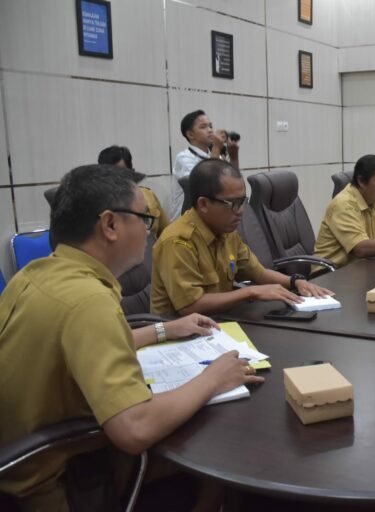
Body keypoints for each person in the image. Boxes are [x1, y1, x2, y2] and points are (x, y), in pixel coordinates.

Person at [0, 165, 262, 510]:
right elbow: (135, 430)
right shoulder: (88, 301)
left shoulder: (37, 274)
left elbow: (78, 348)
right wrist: (213, 378)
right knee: (226, 455)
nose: (149, 232)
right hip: (64, 482)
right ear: (110, 225)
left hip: (19, 467)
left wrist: (164, 329)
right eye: (146, 219)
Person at [152, 159, 331, 316]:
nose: (241, 212)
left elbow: (258, 273)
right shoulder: (178, 241)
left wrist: (295, 282)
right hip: (180, 336)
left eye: (243, 201)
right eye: (234, 204)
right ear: (204, 204)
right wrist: (250, 292)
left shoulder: (226, 231)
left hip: (219, 323)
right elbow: (190, 306)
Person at [169, 110, 240, 220]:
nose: (210, 130)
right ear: (190, 134)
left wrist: (234, 156)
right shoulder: (184, 158)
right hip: (186, 220)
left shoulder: (216, 156)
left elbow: (234, 180)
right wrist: (216, 148)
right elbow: (207, 185)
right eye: (203, 127)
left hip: (210, 216)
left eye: (211, 126)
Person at [98, 145, 170, 239]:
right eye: (110, 175)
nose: (115, 180)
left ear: (132, 172)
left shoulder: (148, 196)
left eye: (121, 173)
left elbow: (165, 231)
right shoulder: (97, 205)